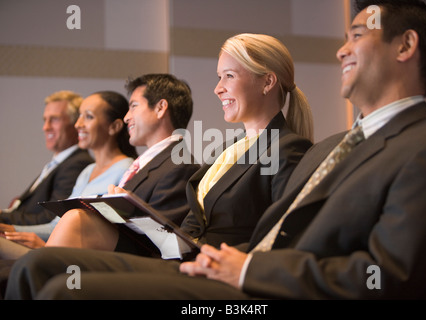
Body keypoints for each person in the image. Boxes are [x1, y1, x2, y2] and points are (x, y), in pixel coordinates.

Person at [6, 0, 426, 300]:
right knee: (35, 270)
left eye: (355, 36)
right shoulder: (333, 148)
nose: (341, 50)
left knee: (65, 287)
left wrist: (247, 271)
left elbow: (388, 277)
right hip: (225, 266)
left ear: (405, 46)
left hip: (255, 287)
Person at [41, 34, 313, 257]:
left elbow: (280, 237)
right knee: (74, 224)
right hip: (182, 257)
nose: (218, 88)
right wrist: (137, 211)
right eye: (219, 77)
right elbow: (189, 232)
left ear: (267, 81)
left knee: (68, 236)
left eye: (228, 76)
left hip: (212, 268)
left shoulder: (286, 149)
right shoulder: (227, 149)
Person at [42, 74, 201, 255]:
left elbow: (164, 245)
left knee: (76, 219)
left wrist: (129, 210)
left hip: (138, 264)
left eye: (133, 106)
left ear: (160, 108)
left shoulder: (180, 166)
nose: (126, 117)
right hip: (115, 252)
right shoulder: (149, 163)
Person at [0, 91, 137, 258]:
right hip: (54, 251)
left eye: (88, 117)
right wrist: (12, 229)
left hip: (79, 260)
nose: (78, 124)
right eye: (79, 116)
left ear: (114, 126)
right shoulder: (87, 171)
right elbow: (56, 225)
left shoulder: (127, 169)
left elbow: (109, 236)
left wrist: (44, 248)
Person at [0, 90, 93, 226]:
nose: (46, 127)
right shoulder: (60, 162)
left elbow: (50, 219)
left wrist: (3, 216)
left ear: (75, 124)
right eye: (45, 120)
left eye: (54, 119)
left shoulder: (77, 163)